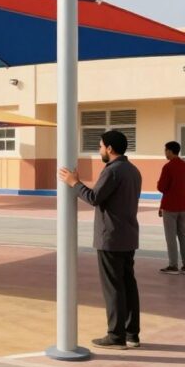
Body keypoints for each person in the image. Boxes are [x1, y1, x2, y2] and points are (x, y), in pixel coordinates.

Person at [59, 130, 142, 350]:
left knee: (114, 287)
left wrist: (74, 182)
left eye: (100, 146)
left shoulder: (112, 171)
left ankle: (116, 336)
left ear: (110, 148)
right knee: (128, 285)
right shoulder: (133, 170)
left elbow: (94, 197)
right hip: (128, 235)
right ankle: (132, 333)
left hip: (111, 237)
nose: (99, 149)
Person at [157, 141, 185, 275]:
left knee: (171, 236)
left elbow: (161, 187)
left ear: (170, 151)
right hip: (184, 206)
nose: (165, 153)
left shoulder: (168, 167)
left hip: (170, 206)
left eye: (165, 150)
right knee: (183, 234)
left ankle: (173, 265)